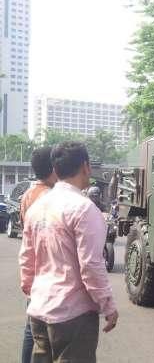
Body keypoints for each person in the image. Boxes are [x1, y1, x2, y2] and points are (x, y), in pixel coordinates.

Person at [19, 142, 118, 363]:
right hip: (73, 315)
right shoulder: (84, 209)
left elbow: (27, 259)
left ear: (55, 170)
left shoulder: (37, 208)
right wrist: (108, 306)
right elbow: (91, 266)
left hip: (39, 309)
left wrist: (32, 292)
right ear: (86, 166)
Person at [19, 147, 58, 363]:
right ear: (54, 168)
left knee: (30, 329)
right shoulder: (49, 196)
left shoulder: (28, 194)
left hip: (31, 266)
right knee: (46, 333)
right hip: (46, 271)